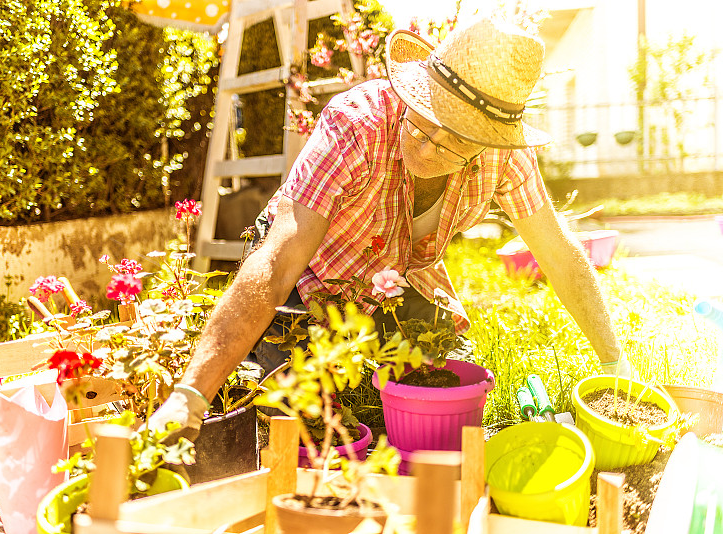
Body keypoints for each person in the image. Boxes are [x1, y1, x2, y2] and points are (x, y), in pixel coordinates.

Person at [150, 17, 633, 439]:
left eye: (454, 142)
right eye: (422, 124)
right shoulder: (355, 125)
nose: (427, 149)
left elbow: (560, 255)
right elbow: (278, 262)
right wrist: (190, 393)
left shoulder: (504, 156)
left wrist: (616, 366)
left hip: (396, 277)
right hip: (307, 274)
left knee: (443, 382)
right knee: (295, 411)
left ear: (489, 141)